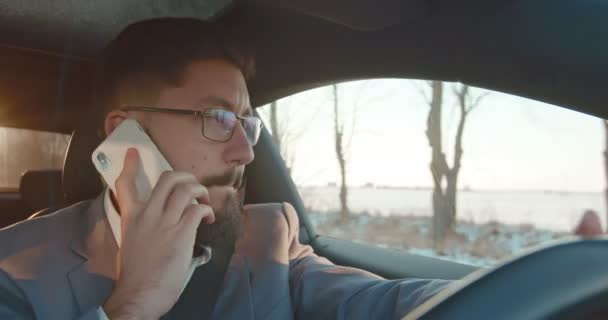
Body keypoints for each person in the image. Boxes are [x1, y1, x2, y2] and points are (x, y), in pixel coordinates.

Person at [0, 18, 450, 319]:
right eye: (217, 119)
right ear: (125, 134)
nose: (245, 152)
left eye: (246, 124)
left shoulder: (270, 238)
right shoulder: (13, 267)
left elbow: (387, 304)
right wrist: (133, 304)